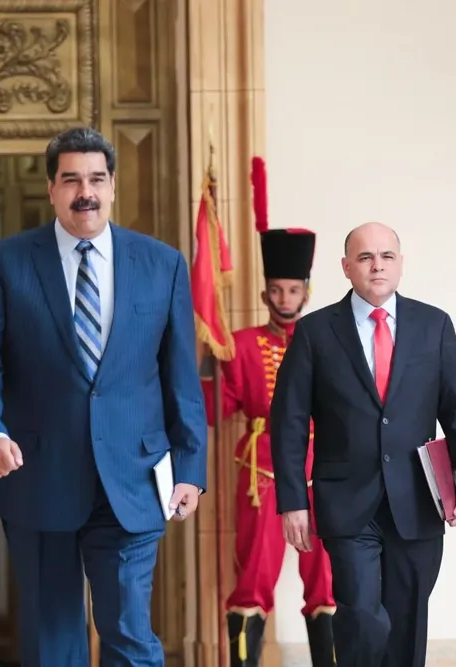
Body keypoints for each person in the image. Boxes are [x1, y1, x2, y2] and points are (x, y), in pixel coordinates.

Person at [0, 127, 207, 667]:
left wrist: (190, 467)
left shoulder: (163, 265)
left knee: (130, 633)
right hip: (38, 476)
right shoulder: (3, 264)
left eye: (95, 178)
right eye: (71, 180)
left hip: (134, 477)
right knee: (52, 640)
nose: (84, 191)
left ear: (113, 185)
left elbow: (180, 377)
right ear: (51, 189)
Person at [271, 222, 456, 667]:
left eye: (387, 256)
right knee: (363, 617)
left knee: (407, 623)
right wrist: (293, 501)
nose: (377, 265)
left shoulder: (434, 325)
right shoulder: (314, 333)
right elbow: (289, 422)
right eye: (365, 257)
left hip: (418, 500)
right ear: (346, 267)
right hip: (347, 503)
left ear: (401, 264)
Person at [203, 227, 335, 667]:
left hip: (324, 469)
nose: (284, 298)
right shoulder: (239, 345)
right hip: (261, 472)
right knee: (254, 576)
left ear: (306, 292)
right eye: (277, 290)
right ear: (265, 293)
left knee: (327, 579)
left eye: (293, 290)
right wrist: (207, 364)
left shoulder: (329, 340)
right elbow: (213, 409)